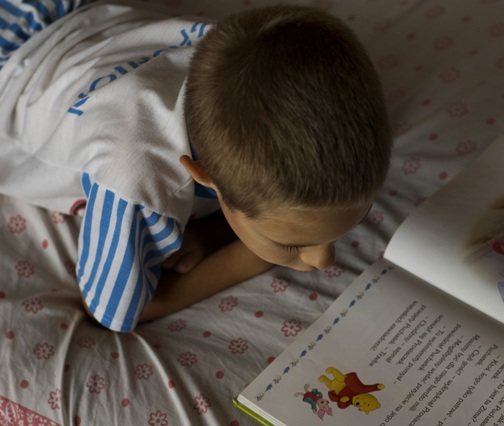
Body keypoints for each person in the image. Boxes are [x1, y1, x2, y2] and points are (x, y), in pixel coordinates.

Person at [0, 0, 392, 332]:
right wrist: (249, 255)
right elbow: (109, 309)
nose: (324, 260)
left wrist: (216, 233)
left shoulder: (248, 55)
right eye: (292, 244)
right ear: (203, 174)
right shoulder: (136, 182)